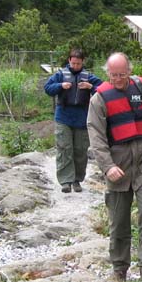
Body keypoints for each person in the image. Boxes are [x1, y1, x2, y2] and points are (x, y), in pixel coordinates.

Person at [87, 52, 142, 282]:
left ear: (129, 71)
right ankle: (120, 268)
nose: (118, 79)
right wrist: (107, 166)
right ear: (107, 73)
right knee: (119, 219)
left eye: (122, 74)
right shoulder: (100, 99)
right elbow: (96, 137)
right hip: (118, 167)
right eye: (114, 75)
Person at [44, 48, 102, 193]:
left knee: (80, 150)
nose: (75, 66)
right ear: (69, 60)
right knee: (64, 148)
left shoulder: (88, 76)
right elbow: (48, 88)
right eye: (73, 63)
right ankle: (65, 181)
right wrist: (60, 86)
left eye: (78, 63)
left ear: (83, 62)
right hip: (63, 116)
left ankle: (77, 180)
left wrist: (91, 87)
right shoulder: (60, 75)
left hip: (82, 118)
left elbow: (103, 90)